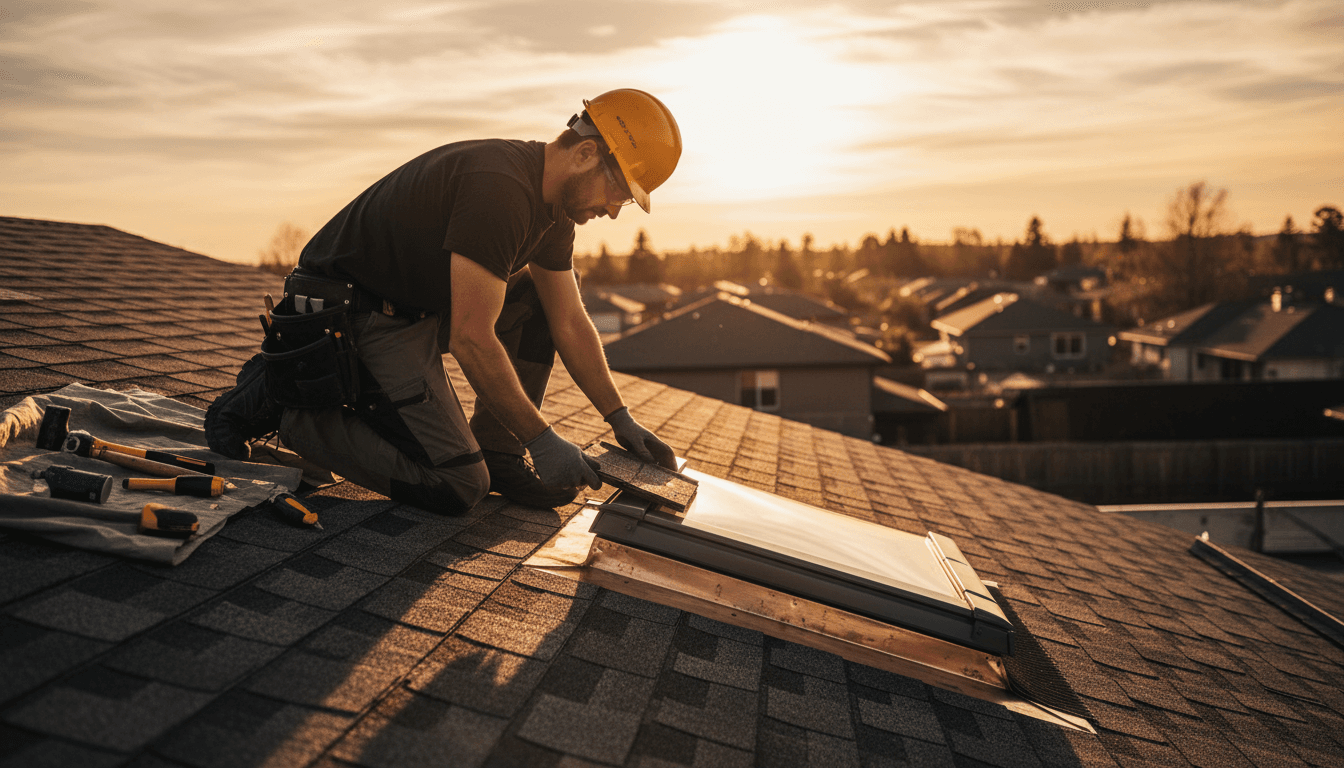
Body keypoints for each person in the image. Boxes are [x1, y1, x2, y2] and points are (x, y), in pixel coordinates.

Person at [205, 89, 682, 514]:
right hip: (348, 317)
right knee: (459, 486)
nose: (615, 210)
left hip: (409, 310)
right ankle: (291, 410)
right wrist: (543, 439)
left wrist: (619, 418)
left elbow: (570, 322)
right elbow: (472, 339)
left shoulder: (555, 213)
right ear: (584, 153)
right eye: (619, 190)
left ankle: (500, 451)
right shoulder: (501, 190)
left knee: (538, 301)